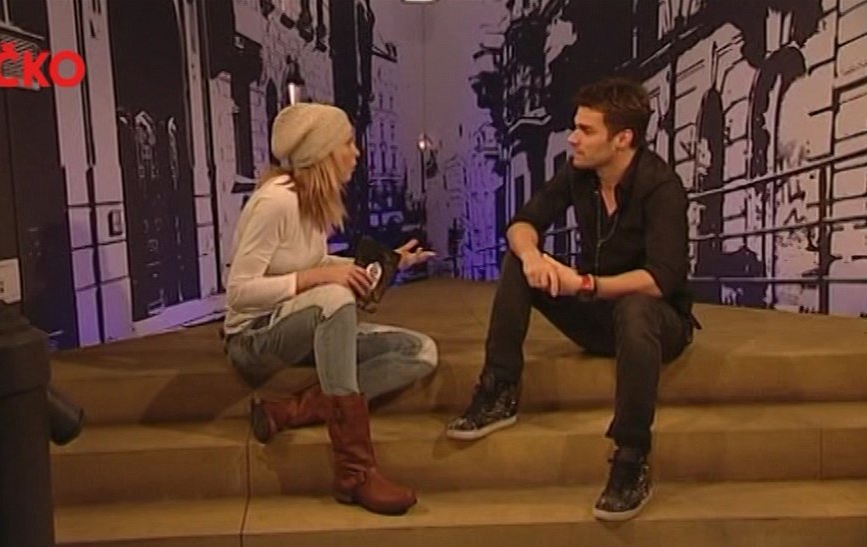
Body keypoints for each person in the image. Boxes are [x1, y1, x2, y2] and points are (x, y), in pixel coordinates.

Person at [445, 77, 698, 521]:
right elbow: (523, 223)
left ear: (623, 139)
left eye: (585, 130)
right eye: (574, 127)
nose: (572, 138)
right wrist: (532, 258)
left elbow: (662, 279)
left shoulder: (662, 186)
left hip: (658, 323)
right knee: (518, 260)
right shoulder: (579, 172)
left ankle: (631, 456)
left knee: (637, 308)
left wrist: (584, 284)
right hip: (597, 313)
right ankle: (499, 389)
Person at [222, 102, 437, 516]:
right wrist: (320, 278)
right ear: (322, 152)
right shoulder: (277, 201)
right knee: (336, 297)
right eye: (348, 143)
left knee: (421, 351)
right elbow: (239, 293)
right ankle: (354, 471)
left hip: (300, 326)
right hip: (251, 341)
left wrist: (390, 261)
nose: (356, 152)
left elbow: (314, 263)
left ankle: (285, 410)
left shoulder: (312, 200)